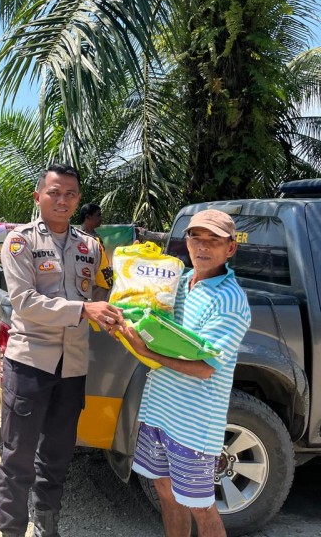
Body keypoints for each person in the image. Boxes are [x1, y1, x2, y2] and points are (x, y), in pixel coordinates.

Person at [0, 164, 124, 537]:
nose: (62, 200)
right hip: (31, 364)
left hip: (73, 368)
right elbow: (24, 301)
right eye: (54, 192)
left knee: (57, 457)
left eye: (70, 193)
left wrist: (123, 305)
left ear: (78, 200)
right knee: (18, 459)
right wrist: (84, 310)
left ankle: (47, 525)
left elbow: (103, 292)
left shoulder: (91, 247)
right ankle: (11, 531)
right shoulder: (21, 242)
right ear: (38, 197)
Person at [121, 209, 251, 537]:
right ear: (187, 242)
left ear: (230, 249)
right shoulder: (178, 283)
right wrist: (124, 325)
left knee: (201, 506)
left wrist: (147, 351)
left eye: (214, 241)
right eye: (196, 238)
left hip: (194, 423)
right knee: (166, 493)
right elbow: (152, 322)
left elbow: (206, 369)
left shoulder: (231, 300)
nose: (203, 247)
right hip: (160, 410)